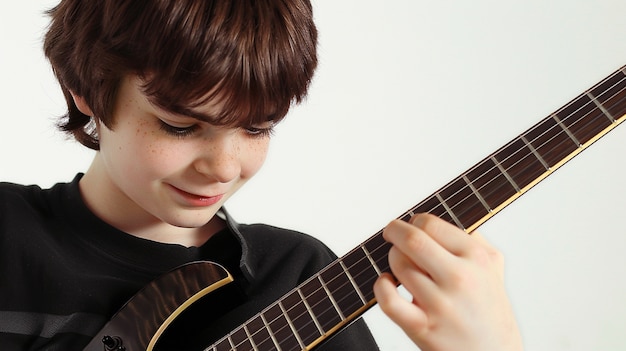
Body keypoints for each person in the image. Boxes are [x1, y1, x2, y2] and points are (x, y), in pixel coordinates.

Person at [0, 0, 523, 350]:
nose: (224, 167)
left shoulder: (297, 277)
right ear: (84, 90)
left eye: (257, 128)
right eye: (180, 126)